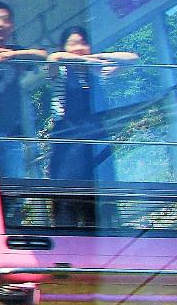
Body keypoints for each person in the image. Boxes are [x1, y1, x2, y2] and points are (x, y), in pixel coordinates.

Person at [46, 26, 137, 228]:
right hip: (67, 138)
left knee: (97, 197)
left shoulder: (97, 71)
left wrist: (98, 57)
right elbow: (52, 59)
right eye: (73, 43)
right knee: (66, 193)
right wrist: (81, 59)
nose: (79, 47)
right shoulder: (59, 72)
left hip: (95, 138)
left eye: (82, 43)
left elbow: (132, 59)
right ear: (64, 47)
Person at [0, 1, 48, 179]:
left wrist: (11, 55)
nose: (0, 25)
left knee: (14, 187)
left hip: (11, 133)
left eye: (5, 20)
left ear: (11, 25)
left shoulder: (16, 52)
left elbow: (43, 55)